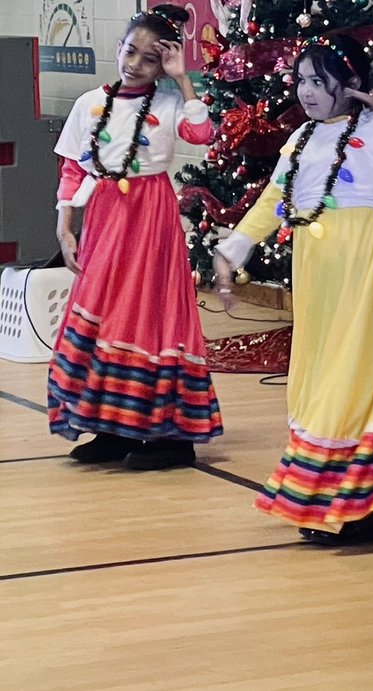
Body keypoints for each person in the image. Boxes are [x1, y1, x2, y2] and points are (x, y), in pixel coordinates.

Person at [213, 34, 373, 546]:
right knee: (319, 371)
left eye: (319, 81)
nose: (307, 92)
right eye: (301, 80)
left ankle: (363, 503)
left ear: (353, 84)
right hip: (319, 268)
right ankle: (332, 494)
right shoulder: (300, 141)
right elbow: (275, 198)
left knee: (358, 371)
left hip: (369, 262)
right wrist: (232, 252)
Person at [50, 5, 223, 470]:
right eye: (131, 52)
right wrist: (65, 227)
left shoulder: (168, 104)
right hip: (106, 217)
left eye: (150, 59)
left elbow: (202, 132)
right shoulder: (88, 104)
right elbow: (71, 171)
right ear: (118, 48)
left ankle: (168, 435)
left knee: (148, 315)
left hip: (150, 219)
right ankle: (109, 427)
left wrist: (182, 79)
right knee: (105, 314)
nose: (135, 65)